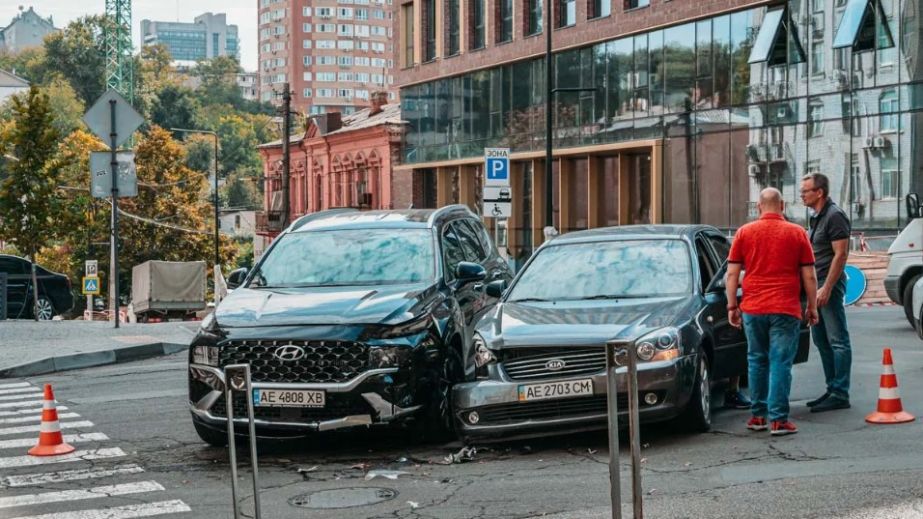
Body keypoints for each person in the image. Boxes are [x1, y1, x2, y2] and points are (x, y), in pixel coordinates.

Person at [726, 188, 819, 436]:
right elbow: (809, 275)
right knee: (780, 362)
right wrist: (812, 306)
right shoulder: (797, 233)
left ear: (758, 207)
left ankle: (758, 417)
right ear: (783, 206)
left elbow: (732, 274)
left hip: (753, 308)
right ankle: (778, 420)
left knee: (756, 360)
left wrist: (732, 306)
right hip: (785, 308)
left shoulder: (744, 233)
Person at [800, 173, 853, 412]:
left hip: (828, 285)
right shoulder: (816, 217)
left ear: (819, 192)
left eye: (806, 190)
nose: (802, 194)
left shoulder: (835, 216)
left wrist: (827, 288)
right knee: (821, 340)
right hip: (816, 286)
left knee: (837, 339)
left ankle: (840, 392)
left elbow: (841, 255)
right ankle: (832, 388)